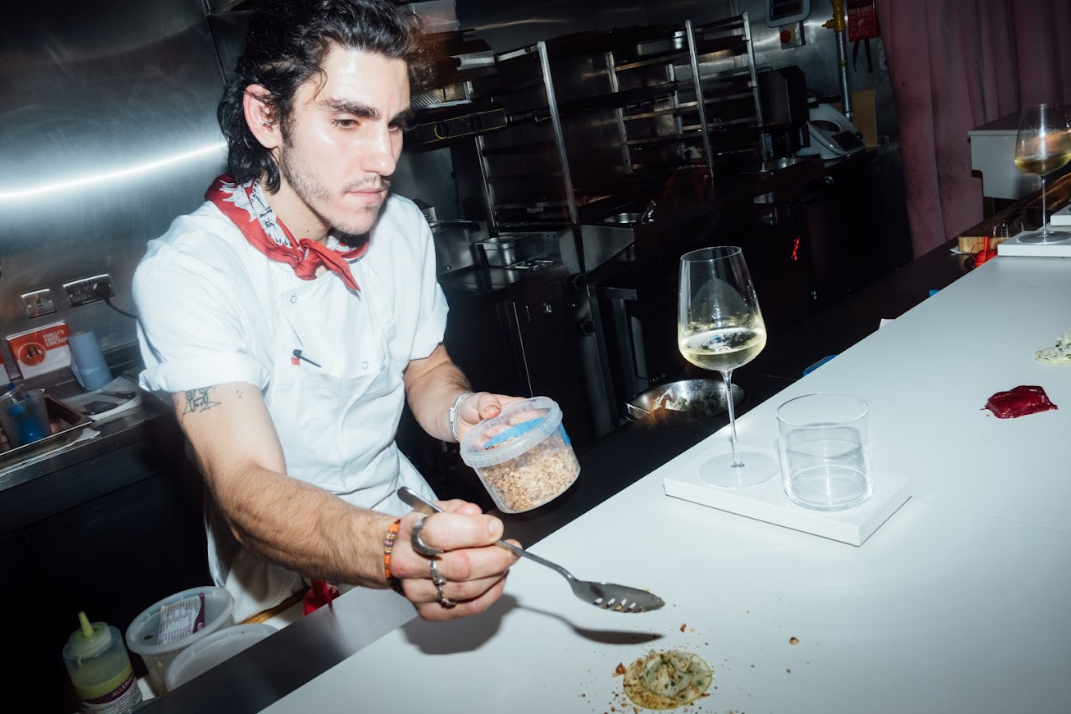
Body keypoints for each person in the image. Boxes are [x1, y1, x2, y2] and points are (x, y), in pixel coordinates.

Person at [133, 0, 520, 624]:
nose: (385, 159)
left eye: (394, 124)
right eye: (348, 122)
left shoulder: (398, 226)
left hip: (402, 513)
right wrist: (391, 552)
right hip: (279, 573)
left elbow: (425, 368)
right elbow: (246, 483)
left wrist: (460, 411)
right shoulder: (190, 271)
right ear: (266, 116)